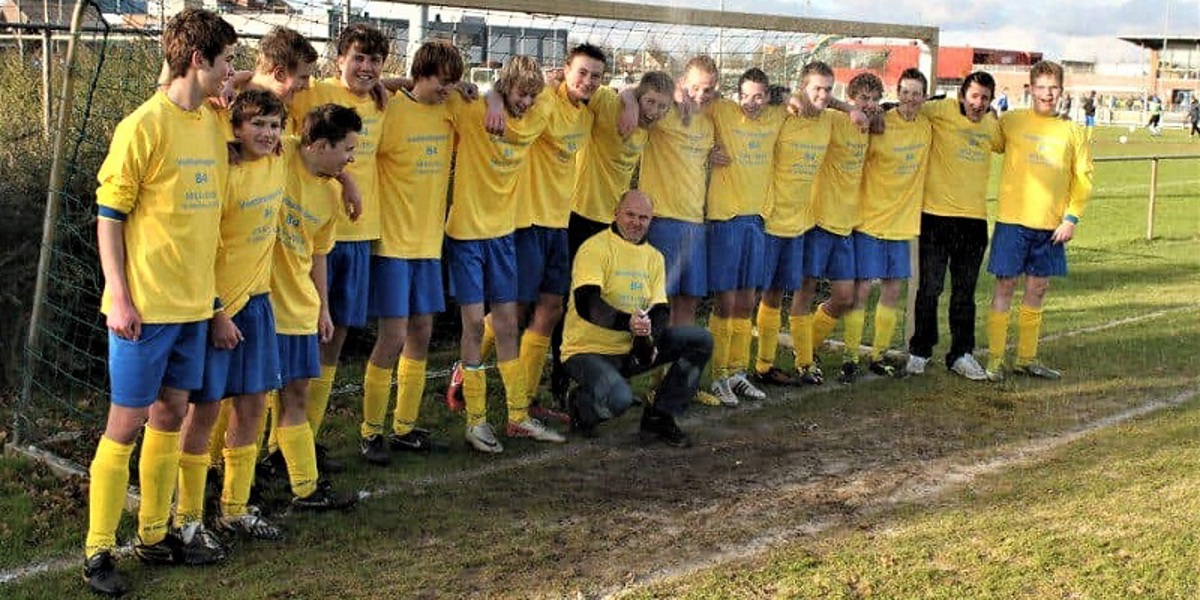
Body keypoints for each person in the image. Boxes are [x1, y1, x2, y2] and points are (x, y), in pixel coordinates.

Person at [83, 8, 237, 596]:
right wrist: (119, 298)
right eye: (225, 63)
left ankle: (153, 533)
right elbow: (109, 217)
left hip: (195, 309)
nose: (233, 74)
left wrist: (215, 303)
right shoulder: (142, 126)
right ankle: (97, 550)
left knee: (171, 416)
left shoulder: (210, 124)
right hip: (144, 311)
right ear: (199, 60)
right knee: (124, 424)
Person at [181, 90, 288, 544]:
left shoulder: (281, 159)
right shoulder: (220, 172)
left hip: (260, 304)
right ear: (236, 128)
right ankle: (185, 518)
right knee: (203, 413)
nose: (267, 133)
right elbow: (198, 249)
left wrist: (349, 182)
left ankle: (235, 509)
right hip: (215, 308)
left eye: (275, 125)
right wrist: (215, 312)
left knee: (253, 407)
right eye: (257, 124)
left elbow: (327, 141)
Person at [444, 55, 561, 454]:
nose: (526, 101)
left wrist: (502, 95)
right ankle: (476, 421)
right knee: (475, 326)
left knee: (508, 324)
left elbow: (556, 87)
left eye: (532, 95)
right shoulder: (474, 107)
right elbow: (424, 88)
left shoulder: (538, 111)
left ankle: (517, 416)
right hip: (466, 237)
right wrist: (489, 95)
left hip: (504, 237)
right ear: (505, 85)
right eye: (519, 93)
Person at [357, 40, 464, 465]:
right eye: (443, 81)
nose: (448, 89)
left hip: (428, 245)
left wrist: (466, 89)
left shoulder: (451, 110)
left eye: (454, 82)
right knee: (393, 336)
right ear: (422, 74)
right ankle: (370, 431)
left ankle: (404, 427)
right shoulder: (389, 110)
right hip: (392, 245)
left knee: (422, 332)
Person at [287, 23, 388, 455]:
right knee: (300, 341)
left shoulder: (385, 102)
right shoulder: (313, 92)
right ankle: (281, 440)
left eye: (375, 61)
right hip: (307, 236)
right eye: (358, 58)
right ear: (339, 58)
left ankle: (306, 437)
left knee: (335, 335)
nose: (365, 68)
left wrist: (390, 83)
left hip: (358, 236)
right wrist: (346, 179)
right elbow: (299, 143)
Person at [267, 103, 362, 511]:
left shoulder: (327, 196)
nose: (351, 159)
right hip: (259, 304)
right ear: (321, 145)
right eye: (347, 150)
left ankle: (305, 487)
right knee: (247, 402)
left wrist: (323, 308)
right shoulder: (279, 152)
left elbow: (319, 255)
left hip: (299, 308)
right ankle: (231, 479)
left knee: (297, 393)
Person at [561, 190, 712, 446]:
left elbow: (661, 309)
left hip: (629, 349)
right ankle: (582, 405)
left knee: (700, 340)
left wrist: (650, 333)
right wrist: (628, 323)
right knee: (619, 400)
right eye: (630, 214)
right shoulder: (594, 248)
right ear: (616, 213)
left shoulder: (654, 257)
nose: (636, 222)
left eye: (644, 217)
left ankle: (660, 417)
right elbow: (588, 304)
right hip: (586, 351)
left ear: (651, 220)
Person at [985, 60, 1094, 381]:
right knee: (1005, 286)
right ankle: (994, 360)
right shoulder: (1012, 121)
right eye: (1042, 87)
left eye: (1053, 88)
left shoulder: (1074, 132)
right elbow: (987, 141)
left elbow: (1083, 179)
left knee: (1038, 289)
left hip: (1051, 226)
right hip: (1012, 221)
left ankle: (1026, 358)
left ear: (1061, 90)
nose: (1047, 94)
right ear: (1030, 89)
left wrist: (1071, 218)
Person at [906, 71, 1001, 380]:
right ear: (962, 96)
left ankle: (961, 353)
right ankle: (920, 351)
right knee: (930, 288)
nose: (979, 103)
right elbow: (909, 106)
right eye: (974, 96)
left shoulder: (992, 125)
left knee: (964, 293)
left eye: (985, 98)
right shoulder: (939, 110)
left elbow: (1004, 143)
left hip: (973, 222)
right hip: (935, 217)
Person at [639, 55, 722, 406]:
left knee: (687, 305)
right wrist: (666, 96)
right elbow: (632, 95)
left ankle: (676, 386)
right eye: (694, 87)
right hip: (663, 222)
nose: (700, 95)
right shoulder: (664, 113)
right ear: (680, 84)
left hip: (694, 224)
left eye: (708, 88)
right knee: (657, 307)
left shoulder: (709, 122)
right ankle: (651, 380)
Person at [704, 67, 785, 405]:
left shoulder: (778, 116)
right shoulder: (721, 110)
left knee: (747, 300)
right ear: (736, 95)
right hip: (726, 217)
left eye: (759, 96)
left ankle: (737, 372)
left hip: (758, 219)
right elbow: (688, 105)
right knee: (725, 300)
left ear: (768, 96)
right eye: (746, 95)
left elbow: (804, 104)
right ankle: (717, 375)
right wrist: (706, 153)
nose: (752, 103)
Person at [752, 61, 834, 388]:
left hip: (801, 224)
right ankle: (750, 367)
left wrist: (844, 105)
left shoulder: (831, 120)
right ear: (802, 86)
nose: (822, 95)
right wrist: (785, 95)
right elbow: (760, 96)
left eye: (828, 89)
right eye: (816, 88)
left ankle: (787, 364)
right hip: (770, 219)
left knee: (789, 293)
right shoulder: (784, 113)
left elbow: (866, 113)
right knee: (761, 294)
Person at [845, 68, 931, 376]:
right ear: (898, 93)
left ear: (924, 97)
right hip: (869, 219)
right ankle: (851, 357)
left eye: (916, 93)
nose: (910, 98)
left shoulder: (927, 127)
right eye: (905, 92)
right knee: (862, 290)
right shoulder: (880, 124)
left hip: (903, 223)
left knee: (893, 290)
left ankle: (877, 355)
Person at [804, 72, 883, 384]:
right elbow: (814, 106)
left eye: (875, 99)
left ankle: (808, 342)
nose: (870, 104)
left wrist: (872, 115)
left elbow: (883, 120)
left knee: (843, 297)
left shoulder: (870, 126)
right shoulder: (835, 121)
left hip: (847, 225)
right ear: (851, 99)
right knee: (804, 291)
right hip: (819, 220)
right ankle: (804, 356)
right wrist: (845, 108)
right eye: (863, 99)